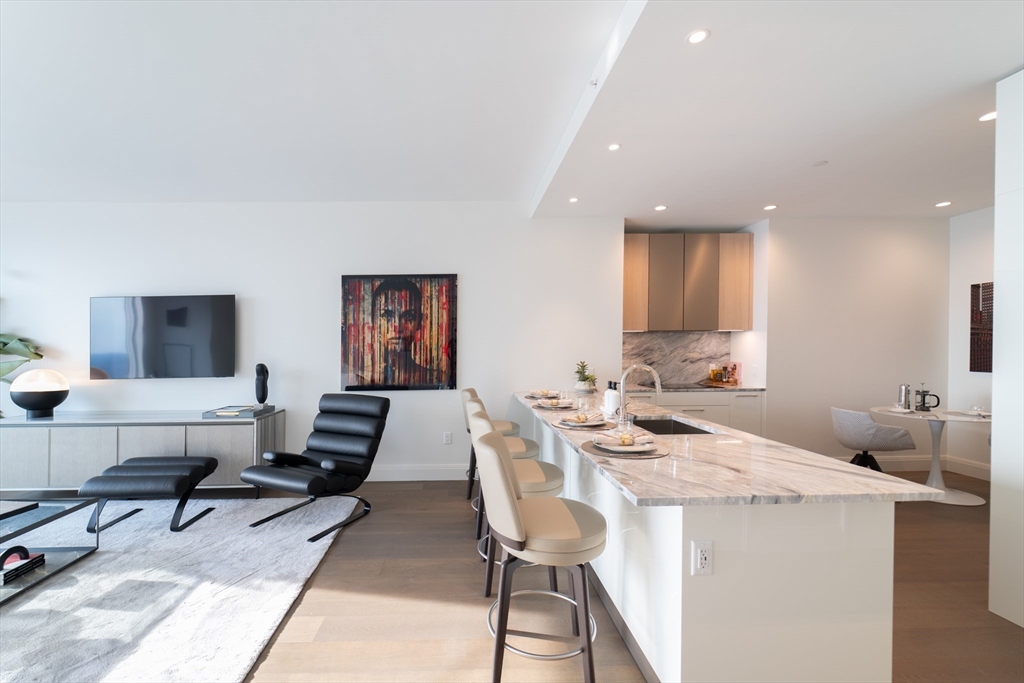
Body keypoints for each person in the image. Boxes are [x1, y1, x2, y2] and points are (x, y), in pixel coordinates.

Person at [371, 277, 443, 388]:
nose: (397, 327)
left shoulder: (437, 379)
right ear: (374, 322)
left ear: (419, 322)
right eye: (387, 316)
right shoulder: (361, 378)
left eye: (409, 316)